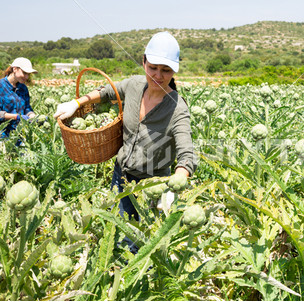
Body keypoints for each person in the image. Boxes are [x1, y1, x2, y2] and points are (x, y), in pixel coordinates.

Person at [54, 32, 197, 247]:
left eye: (166, 70)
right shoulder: (134, 85)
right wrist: (77, 103)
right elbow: (107, 92)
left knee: (142, 243)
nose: (158, 75)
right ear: (143, 62)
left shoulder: (177, 108)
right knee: (117, 232)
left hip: (152, 185)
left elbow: (187, 154)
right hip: (120, 176)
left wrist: (176, 182)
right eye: (153, 68)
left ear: (174, 70)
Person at [0, 57, 38, 138]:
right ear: (15, 69)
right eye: (24, 73)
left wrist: (33, 117)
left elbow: (27, 108)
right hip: (3, 136)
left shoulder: (23, 88)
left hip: (20, 135)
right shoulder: (1, 86)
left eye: (28, 74)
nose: (26, 77)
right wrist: (16, 117)